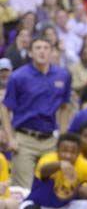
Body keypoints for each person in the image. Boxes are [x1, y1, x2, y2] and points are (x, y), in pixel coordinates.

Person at [1, 37, 71, 189]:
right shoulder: (18, 76)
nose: (42, 51)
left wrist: (63, 135)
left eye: (46, 48)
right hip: (25, 139)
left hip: (50, 139)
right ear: (31, 53)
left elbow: (65, 106)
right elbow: (5, 108)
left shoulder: (63, 75)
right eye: (38, 48)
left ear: (52, 52)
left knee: (51, 188)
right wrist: (10, 137)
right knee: (24, 190)